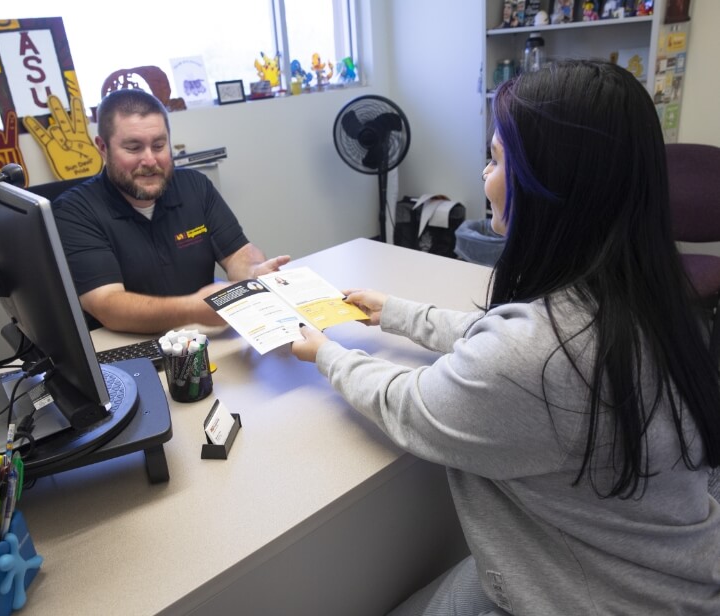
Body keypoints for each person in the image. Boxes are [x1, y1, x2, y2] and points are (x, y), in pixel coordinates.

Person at [291, 60, 720, 615]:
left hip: (605, 595)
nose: (484, 174)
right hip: (676, 572)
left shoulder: (534, 352)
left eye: (495, 158)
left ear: (551, 184)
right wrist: (397, 313)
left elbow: (413, 405)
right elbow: (507, 346)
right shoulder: (654, 300)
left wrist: (326, 353)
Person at [53, 88, 289, 333]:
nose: (150, 161)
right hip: (129, 350)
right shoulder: (74, 212)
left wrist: (253, 271)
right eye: (133, 148)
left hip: (202, 340)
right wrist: (193, 308)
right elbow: (107, 305)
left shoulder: (195, 187)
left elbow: (237, 252)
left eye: (158, 145)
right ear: (103, 148)